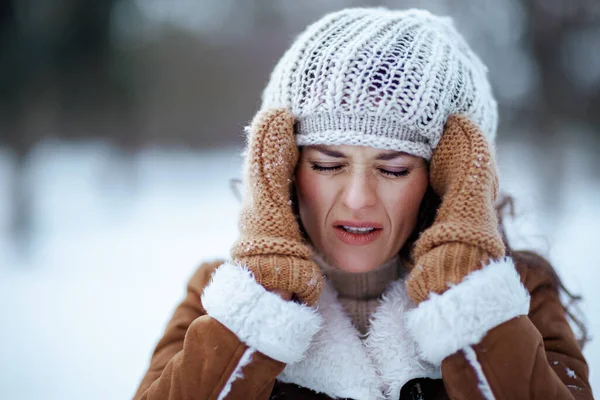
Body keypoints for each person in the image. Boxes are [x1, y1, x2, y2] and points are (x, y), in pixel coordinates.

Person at [133, 8, 593, 400]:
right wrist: (263, 299)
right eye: (327, 164)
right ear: (282, 166)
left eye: (393, 169)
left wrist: (465, 290)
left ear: (448, 178)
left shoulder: (520, 297)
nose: (357, 198)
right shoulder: (220, 299)